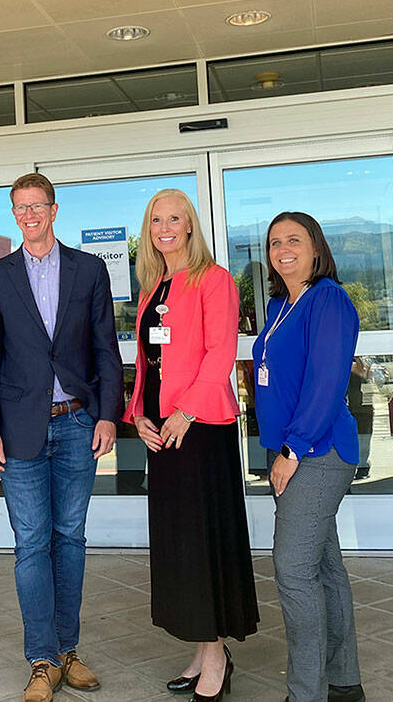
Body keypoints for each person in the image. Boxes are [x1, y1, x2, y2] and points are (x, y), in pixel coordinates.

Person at [0, 172, 124, 702]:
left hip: (80, 421)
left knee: (71, 539)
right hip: (18, 430)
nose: (30, 215)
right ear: (14, 214)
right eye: (21, 208)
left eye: (38, 206)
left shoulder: (90, 270)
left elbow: (107, 349)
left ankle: (68, 652)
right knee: (32, 543)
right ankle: (41, 660)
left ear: (54, 210)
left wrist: (108, 415)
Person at [124, 189, 259, 702]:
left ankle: (217, 656)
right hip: (161, 430)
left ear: (189, 226)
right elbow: (146, 361)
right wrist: (138, 412)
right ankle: (207, 651)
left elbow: (220, 350)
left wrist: (187, 411)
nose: (164, 227)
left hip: (200, 428)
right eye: (156, 219)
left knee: (206, 542)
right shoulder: (152, 285)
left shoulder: (214, 279)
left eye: (174, 218)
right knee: (180, 545)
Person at [251, 211, 365, 702]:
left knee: (294, 569)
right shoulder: (281, 304)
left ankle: (306, 693)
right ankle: (343, 682)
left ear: (315, 247)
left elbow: (326, 383)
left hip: (316, 451)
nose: (283, 250)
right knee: (323, 568)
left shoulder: (329, 300)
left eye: (293, 240)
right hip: (294, 449)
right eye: (275, 243)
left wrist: (293, 450)